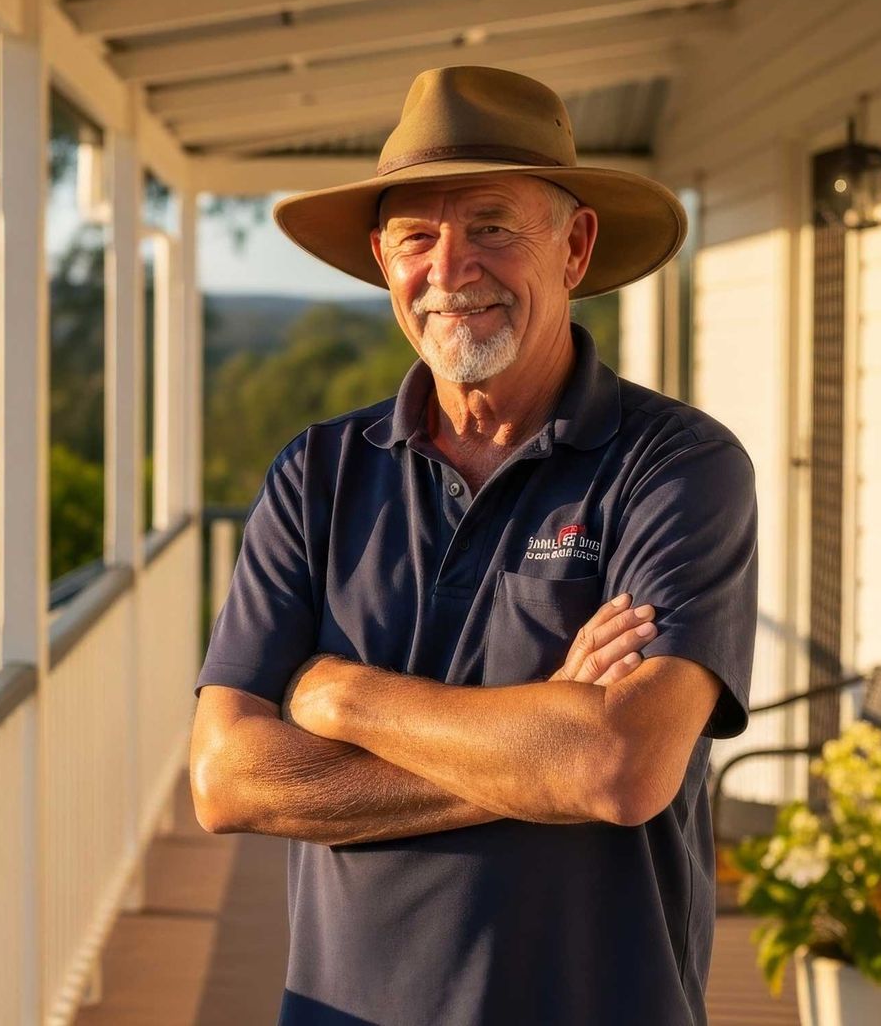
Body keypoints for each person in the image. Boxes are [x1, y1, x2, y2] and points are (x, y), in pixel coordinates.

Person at [190, 65, 759, 1026]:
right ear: (383, 258)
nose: (451, 272)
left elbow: (620, 767)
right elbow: (227, 778)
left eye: (492, 226)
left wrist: (344, 694)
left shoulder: (677, 466)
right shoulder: (318, 474)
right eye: (418, 236)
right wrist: (539, 739)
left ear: (574, 246)